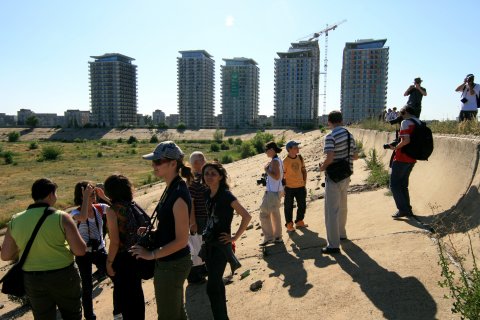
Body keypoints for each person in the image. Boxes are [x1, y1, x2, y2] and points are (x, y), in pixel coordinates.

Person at [1, 178, 86, 320]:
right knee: (72, 314)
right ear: (50, 195)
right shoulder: (62, 217)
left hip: (33, 279)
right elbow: (80, 251)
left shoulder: (15, 220)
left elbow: (5, 255)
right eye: (55, 193)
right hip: (64, 275)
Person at [130, 141, 193, 320]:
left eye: (158, 162)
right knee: (177, 313)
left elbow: (182, 239)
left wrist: (151, 255)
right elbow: (172, 227)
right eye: (153, 161)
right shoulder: (171, 188)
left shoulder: (179, 194)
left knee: (167, 316)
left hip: (172, 264)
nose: (153, 165)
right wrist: (155, 231)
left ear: (173, 164)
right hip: (170, 262)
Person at [201, 162, 251, 320]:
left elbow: (246, 216)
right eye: (206, 173)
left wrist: (234, 237)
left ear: (220, 177)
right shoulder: (206, 194)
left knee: (212, 286)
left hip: (222, 246)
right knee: (216, 283)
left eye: (213, 173)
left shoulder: (226, 195)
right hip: (208, 244)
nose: (209, 176)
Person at [103, 174, 146, 320]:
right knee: (137, 295)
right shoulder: (133, 205)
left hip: (122, 259)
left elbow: (114, 242)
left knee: (126, 300)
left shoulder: (111, 211)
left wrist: (109, 263)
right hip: (137, 254)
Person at [319, 111, 358, 254]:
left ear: (329, 122)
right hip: (347, 174)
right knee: (343, 207)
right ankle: (342, 234)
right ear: (341, 120)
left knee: (331, 211)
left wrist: (322, 168)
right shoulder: (350, 135)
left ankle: (333, 245)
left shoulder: (330, 136)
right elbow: (356, 156)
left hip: (334, 177)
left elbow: (329, 158)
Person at [71, 181, 109, 320]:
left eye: (93, 194)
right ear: (80, 196)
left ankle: (120, 309)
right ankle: (89, 316)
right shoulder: (75, 213)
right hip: (83, 253)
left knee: (115, 274)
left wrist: (103, 196)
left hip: (100, 250)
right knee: (87, 287)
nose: (93, 196)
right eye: (90, 194)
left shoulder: (99, 208)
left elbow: (117, 208)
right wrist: (86, 196)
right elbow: (83, 217)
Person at [387, 106, 418, 218]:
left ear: (405, 112)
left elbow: (406, 140)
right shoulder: (419, 122)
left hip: (402, 157)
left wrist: (395, 148)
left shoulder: (405, 122)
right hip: (412, 157)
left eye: (401, 112)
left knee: (394, 185)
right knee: (403, 185)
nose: (399, 115)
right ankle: (407, 209)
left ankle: (403, 210)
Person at [187, 151, 208, 284]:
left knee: (202, 244)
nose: (205, 160)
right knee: (197, 245)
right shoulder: (193, 180)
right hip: (199, 218)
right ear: (195, 163)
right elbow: (191, 203)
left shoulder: (202, 176)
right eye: (202, 159)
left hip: (205, 217)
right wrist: (192, 222)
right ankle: (195, 276)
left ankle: (203, 271)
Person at [259, 141, 284, 246]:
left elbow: (276, 176)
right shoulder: (278, 160)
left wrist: (266, 170)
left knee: (263, 214)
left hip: (273, 192)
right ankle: (277, 237)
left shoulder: (274, 161)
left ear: (272, 150)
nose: (265, 152)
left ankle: (269, 237)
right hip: (277, 190)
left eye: (267, 150)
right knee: (275, 214)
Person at [283, 140, 308, 232]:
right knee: (288, 207)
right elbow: (282, 176)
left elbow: (304, 171)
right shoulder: (285, 161)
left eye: (297, 147)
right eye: (295, 147)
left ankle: (299, 221)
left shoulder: (300, 158)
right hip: (289, 188)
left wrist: (304, 182)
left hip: (300, 187)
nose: (298, 148)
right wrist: (283, 188)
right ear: (289, 149)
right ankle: (289, 225)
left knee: (302, 205)